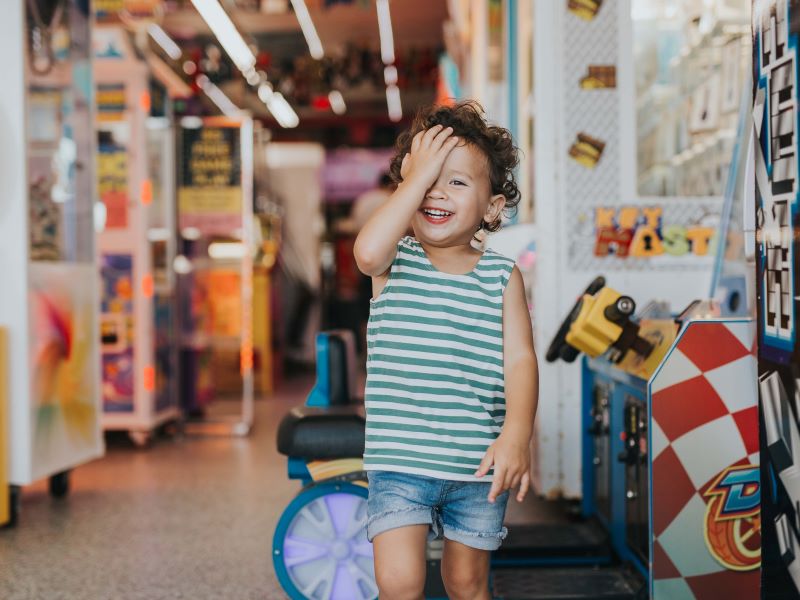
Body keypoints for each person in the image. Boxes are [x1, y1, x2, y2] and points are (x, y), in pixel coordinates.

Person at [354, 101, 540, 600]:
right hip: (400, 459)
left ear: (493, 207)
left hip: (475, 464)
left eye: (457, 181)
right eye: (425, 178)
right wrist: (413, 179)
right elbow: (366, 251)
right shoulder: (395, 259)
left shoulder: (502, 276)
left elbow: (521, 359)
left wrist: (517, 433)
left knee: (466, 584)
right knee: (399, 582)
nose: (435, 190)